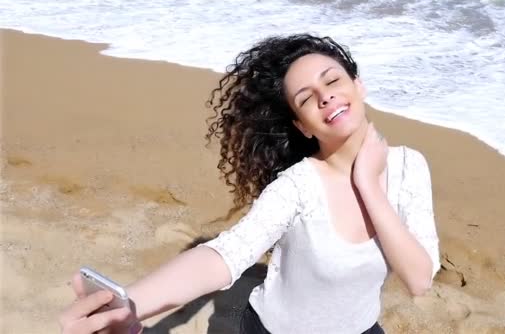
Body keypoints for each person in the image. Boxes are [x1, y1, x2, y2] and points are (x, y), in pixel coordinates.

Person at [59, 34, 441, 334]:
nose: (326, 97)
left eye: (333, 80)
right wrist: (132, 303)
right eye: (307, 99)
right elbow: (226, 255)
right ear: (302, 125)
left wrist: (368, 186)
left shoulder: (410, 166)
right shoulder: (296, 187)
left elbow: (419, 279)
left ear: (358, 86)